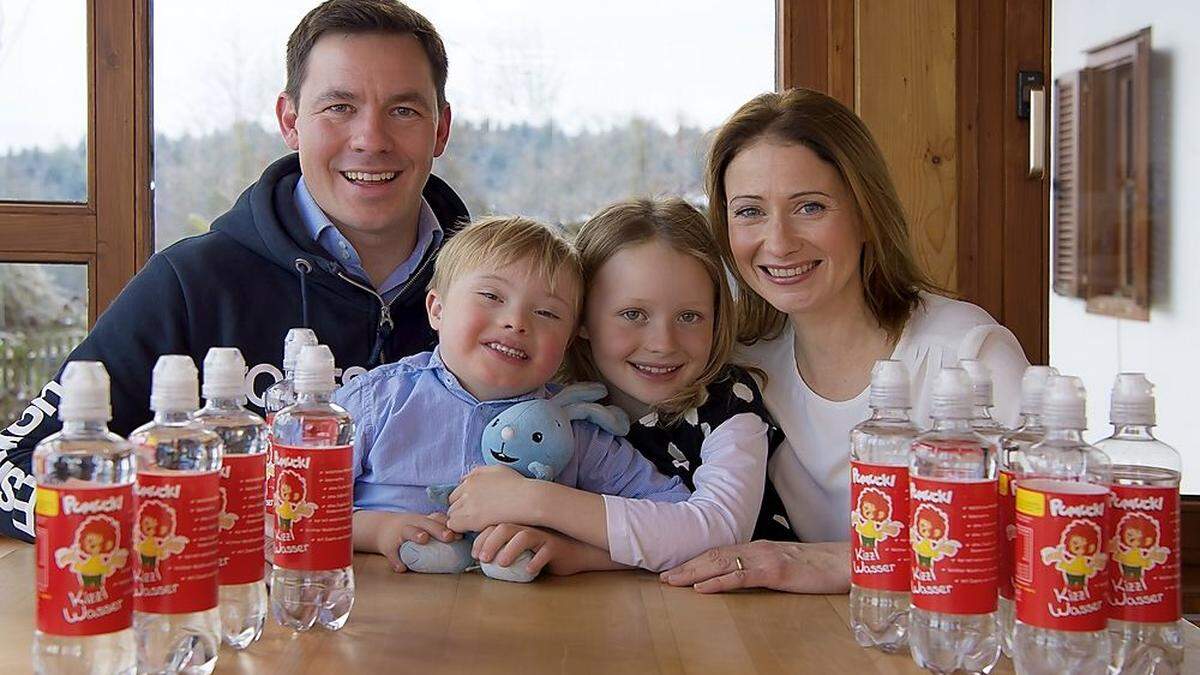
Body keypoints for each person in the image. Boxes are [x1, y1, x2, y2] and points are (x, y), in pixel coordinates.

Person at [0, 0, 467, 541]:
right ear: (290, 122)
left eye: (404, 110)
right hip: (239, 614)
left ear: (441, 129)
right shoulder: (189, 284)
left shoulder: (503, 298)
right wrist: (178, 524)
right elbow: (13, 467)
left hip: (458, 616)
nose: (371, 138)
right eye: (339, 107)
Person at [660, 88, 1029, 593]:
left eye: (810, 207)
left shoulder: (969, 354)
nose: (779, 241)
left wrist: (827, 564)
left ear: (864, 213)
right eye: (749, 211)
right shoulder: (741, 366)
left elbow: (1037, 549)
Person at [445, 198, 797, 572]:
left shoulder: (728, 405)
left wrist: (538, 502)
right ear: (581, 320)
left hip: (751, 612)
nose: (663, 343)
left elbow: (721, 532)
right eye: (633, 314)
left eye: (690, 316)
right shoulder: (552, 407)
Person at [338, 216, 696, 575]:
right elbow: (291, 506)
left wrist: (572, 552)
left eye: (546, 312)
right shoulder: (377, 401)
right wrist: (377, 531)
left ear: (569, 341)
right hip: (386, 613)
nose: (516, 322)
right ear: (437, 309)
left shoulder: (575, 429)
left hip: (533, 620)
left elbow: (674, 516)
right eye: (492, 296)